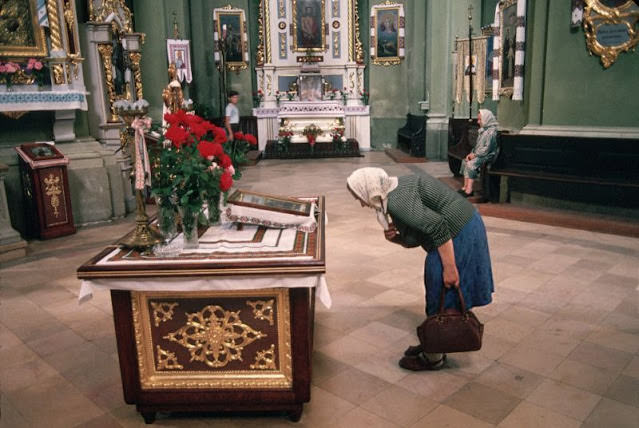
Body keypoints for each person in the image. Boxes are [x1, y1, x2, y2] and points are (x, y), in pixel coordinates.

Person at [347, 167, 494, 371]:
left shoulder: (398, 202)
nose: (361, 203)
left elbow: (437, 227)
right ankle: (434, 341)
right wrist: (397, 238)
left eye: (358, 196)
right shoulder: (395, 189)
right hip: (459, 228)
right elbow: (418, 235)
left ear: (368, 189)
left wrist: (450, 269)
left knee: (440, 287)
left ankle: (433, 357)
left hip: (459, 232)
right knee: (437, 286)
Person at [459, 109, 499, 197]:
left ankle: (469, 190)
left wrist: (475, 155)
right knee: (465, 161)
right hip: (480, 154)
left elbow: (487, 149)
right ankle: (465, 187)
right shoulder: (483, 130)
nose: (478, 122)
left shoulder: (491, 132)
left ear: (487, 119)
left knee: (471, 164)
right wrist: (471, 154)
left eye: (480, 119)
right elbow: (477, 146)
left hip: (487, 156)